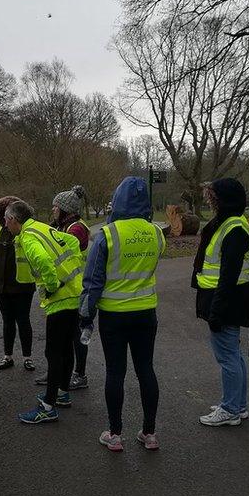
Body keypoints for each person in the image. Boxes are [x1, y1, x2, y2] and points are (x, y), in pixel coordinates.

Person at [80, 177, 166, 452]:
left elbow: (93, 281)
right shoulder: (156, 233)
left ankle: (115, 434)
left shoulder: (107, 234)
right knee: (146, 370)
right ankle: (149, 433)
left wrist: (86, 317)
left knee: (115, 372)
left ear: (117, 200)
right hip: (145, 313)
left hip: (114, 315)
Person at [5, 200, 84, 424]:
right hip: (74, 293)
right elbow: (73, 242)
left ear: (13, 219)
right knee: (67, 349)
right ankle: (61, 393)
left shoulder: (29, 236)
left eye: (6, 221)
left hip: (59, 299)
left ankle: (48, 407)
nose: (5, 225)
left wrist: (51, 286)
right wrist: (72, 271)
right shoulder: (43, 227)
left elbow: (43, 261)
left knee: (53, 352)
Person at [192, 178, 249, 427]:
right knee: (234, 355)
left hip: (226, 300)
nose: (210, 202)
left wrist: (216, 311)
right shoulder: (229, 224)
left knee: (227, 357)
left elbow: (228, 276)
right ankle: (237, 405)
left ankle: (230, 409)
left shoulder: (234, 229)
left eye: (213, 198)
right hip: (227, 298)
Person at [46, 185, 91, 391]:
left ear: (66, 209)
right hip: (70, 289)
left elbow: (61, 252)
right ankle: (57, 373)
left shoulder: (76, 229)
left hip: (79, 289)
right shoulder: (64, 226)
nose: (53, 210)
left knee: (76, 335)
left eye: (56, 207)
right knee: (65, 336)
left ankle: (79, 374)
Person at [0, 196, 37, 372]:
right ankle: (7, 356)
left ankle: (27, 357)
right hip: (2, 284)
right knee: (7, 321)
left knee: (23, 320)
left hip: (22, 284)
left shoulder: (25, 229)